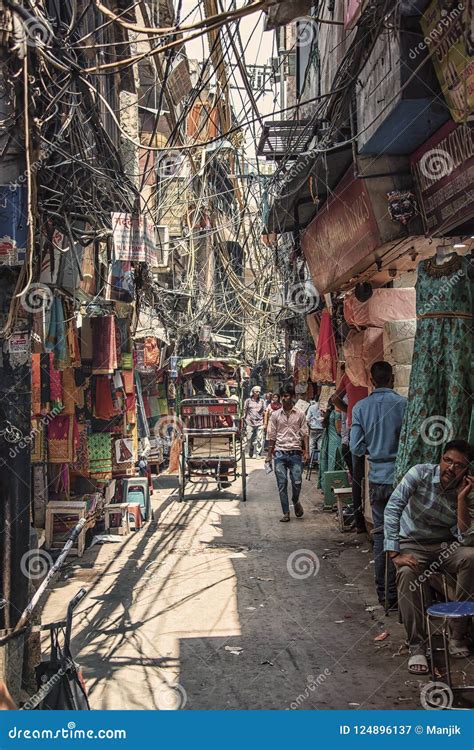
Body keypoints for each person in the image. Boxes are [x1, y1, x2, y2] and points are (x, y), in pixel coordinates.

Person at [384, 439, 474, 675]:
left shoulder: (466, 489)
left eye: (459, 465)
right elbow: (393, 507)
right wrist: (395, 553)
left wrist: (462, 499)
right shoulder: (420, 473)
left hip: (444, 545)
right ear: (440, 459)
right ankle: (417, 646)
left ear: (467, 470)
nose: (451, 468)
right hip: (411, 543)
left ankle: (458, 634)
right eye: (447, 461)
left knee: (471, 557)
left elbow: (464, 538)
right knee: (405, 572)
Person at [350, 361, 407, 608]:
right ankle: (404, 595)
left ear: (372, 381)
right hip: (401, 480)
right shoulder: (404, 405)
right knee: (404, 536)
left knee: (382, 537)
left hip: (377, 480)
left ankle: (386, 596)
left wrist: (373, 447)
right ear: (392, 378)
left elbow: (356, 447)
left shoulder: (362, 408)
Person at [266, 383, 309, 522]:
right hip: (279, 453)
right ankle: (286, 512)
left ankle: (295, 501)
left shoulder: (300, 414)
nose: (284, 399)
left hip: (295, 453)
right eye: (282, 396)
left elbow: (305, 434)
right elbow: (271, 435)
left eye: (286, 396)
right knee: (282, 483)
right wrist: (268, 455)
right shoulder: (275, 415)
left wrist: (306, 451)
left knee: (297, 481)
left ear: (292, 397)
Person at [333, 366, 369, 533]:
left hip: (353, 427)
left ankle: (359, 520)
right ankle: (367, 518)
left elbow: (335, 398)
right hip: (370, 425)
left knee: (357, 476)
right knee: (366, 474)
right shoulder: (369, 372)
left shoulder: (349, 374)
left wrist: (350, 412)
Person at [317, 397, 345, 489]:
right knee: (337, 465)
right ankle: (336, 487)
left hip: (330, 442)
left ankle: (327, 487)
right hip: (337, 441)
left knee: (330, 464)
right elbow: (339, 430)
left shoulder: (329, 414)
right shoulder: (336, 414)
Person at [244, 385, 265, 458]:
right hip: (250, 422)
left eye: (259, 391)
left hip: (260, 422)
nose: (258, 393)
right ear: (253, 392)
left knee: (260, 438)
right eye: (256, 391)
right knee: (249, 438)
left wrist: (265, 423)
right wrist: (244, 419)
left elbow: (264, 412)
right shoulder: (248, 401)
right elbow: (245, 410)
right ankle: (251, 449)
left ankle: (258, 453)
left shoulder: (262, 401)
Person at [306, 395, 324, 463]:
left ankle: (311, 462)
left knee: (312, 445)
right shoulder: (324, 408)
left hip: (313, 429)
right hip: (322, 429)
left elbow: (307, 419)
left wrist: (309, 424)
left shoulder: (311, 407)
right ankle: (320, 462)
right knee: (320, 446)